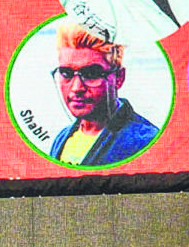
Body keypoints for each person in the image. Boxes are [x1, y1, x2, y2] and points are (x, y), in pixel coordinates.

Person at [48, 22, 158, 166]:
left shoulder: (144, 141)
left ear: (119, 78)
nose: (76, 88)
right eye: (66, 73)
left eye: (91, 74)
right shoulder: (61, 139)